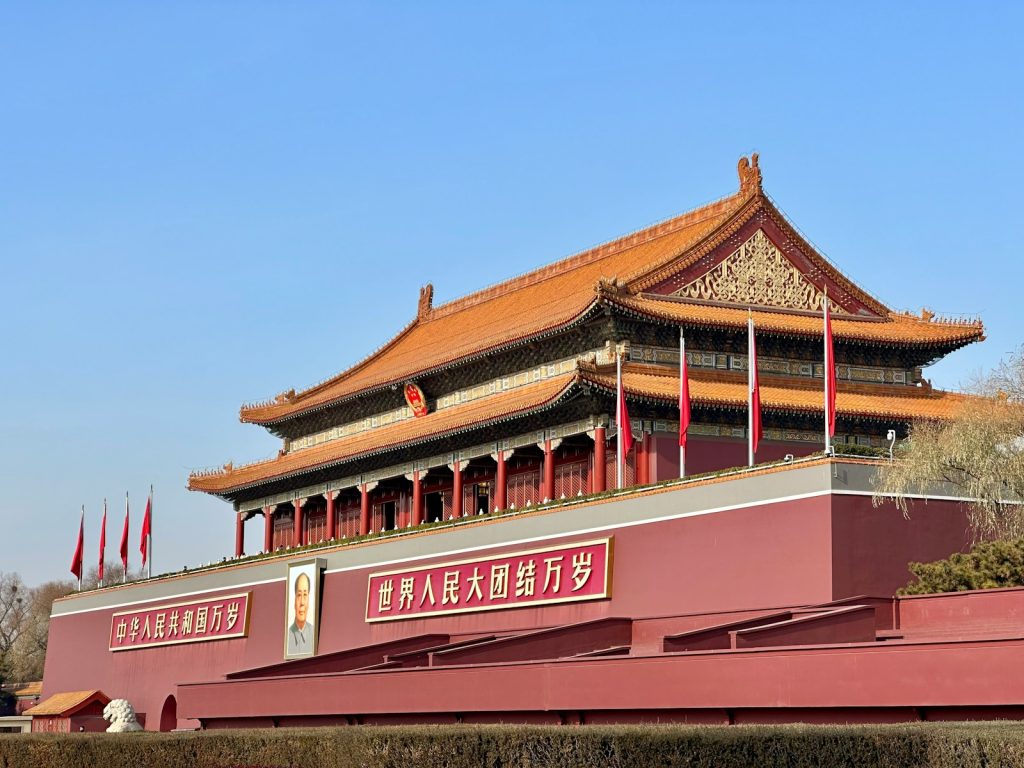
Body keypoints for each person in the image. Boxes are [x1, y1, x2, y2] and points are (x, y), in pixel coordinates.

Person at [286, 571, 315, 655]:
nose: (302, 602)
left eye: (305, 595)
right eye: (299, 595)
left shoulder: (314, 634)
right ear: (294, 600)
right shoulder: (287, 636)